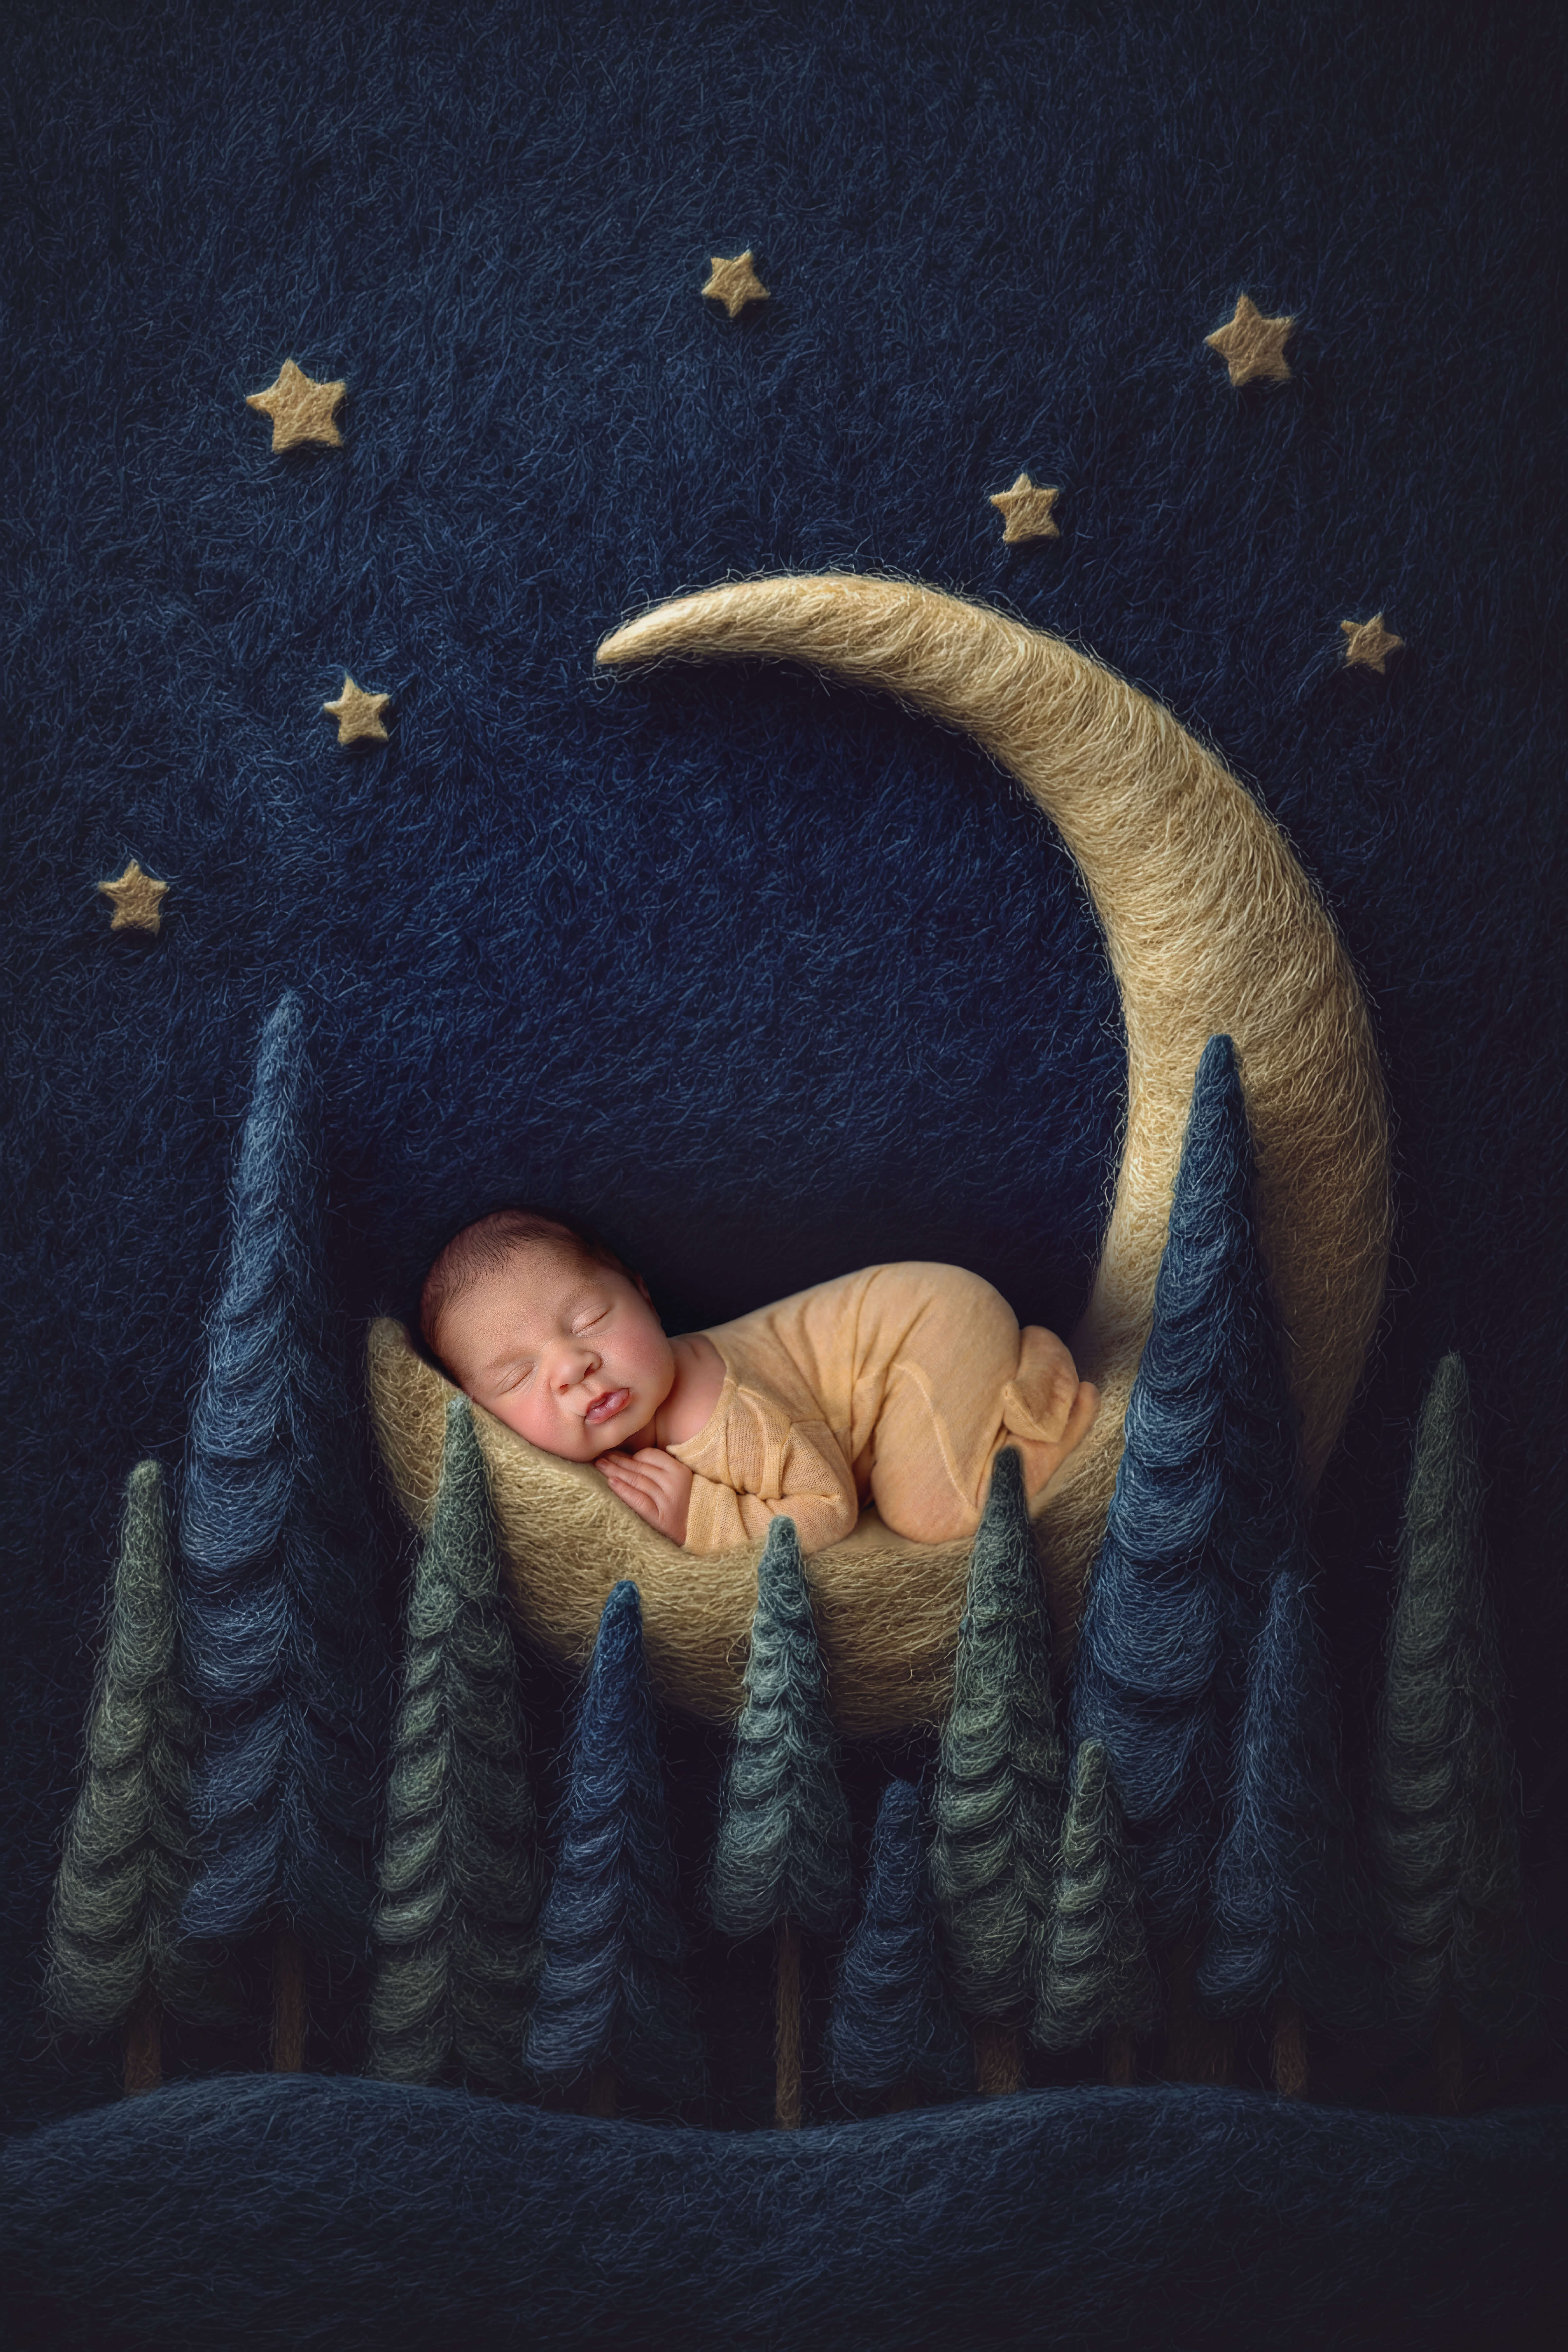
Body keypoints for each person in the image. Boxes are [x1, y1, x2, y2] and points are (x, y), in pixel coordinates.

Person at [420, 1208, 1099, 1555]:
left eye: (592, 1318)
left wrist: (704, 1517)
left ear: (644, 1297)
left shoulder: (713, 1411)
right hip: (903, 1333)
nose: (572, 1366)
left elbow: (828, 1505)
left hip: (926, 1329)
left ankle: (1045, 1385)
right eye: (521, 1374)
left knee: (932, 1512)